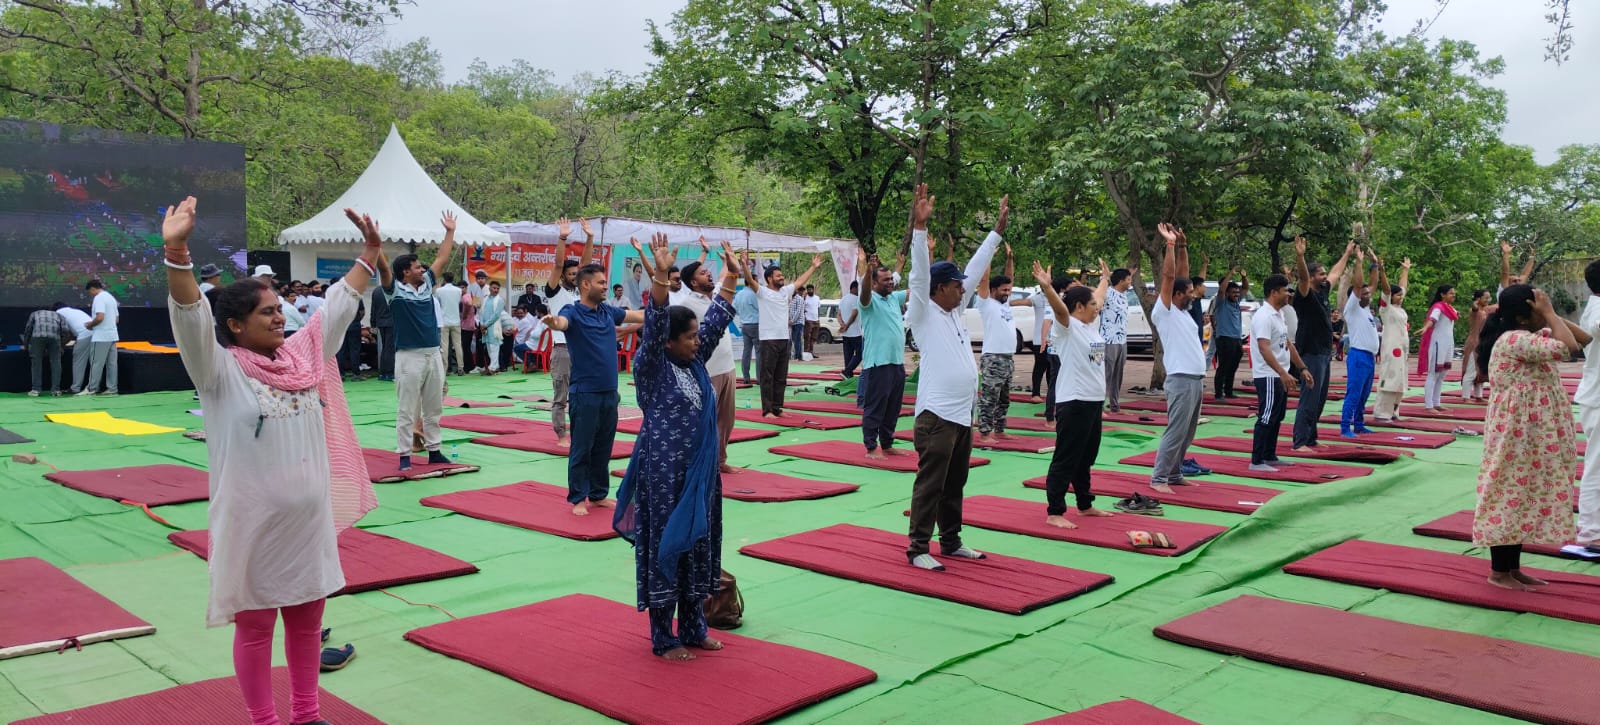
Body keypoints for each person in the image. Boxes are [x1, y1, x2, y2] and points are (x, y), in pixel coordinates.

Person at [163, 196, 379, 725]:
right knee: (256, 630)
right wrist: (176, 249)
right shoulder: (217, 370)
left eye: (281, 308)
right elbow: (191, 313)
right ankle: (265, 721)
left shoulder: (305, 356)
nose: (281, 316)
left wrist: (371, 252)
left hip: (308, 526)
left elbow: (340, 303)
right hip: (253, 526)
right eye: (267, 312)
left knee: (308, 625)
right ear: (235, 325)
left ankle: (305, 716)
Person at [612, 235, 743, 661]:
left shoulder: (691, 361)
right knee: (667, 548)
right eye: (687, 337)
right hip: (665, 479)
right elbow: (653, 326)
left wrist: (730, 278)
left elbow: (715, 322)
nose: (695, 342)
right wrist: (662, 281)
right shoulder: (652, 367)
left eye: (694, 338)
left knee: (699, 546)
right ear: (668, 341)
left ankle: (693, 626)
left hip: (699, 478)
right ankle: (663, 636)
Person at [904, 185, 1004, 571]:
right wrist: (918, 229)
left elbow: (977, 266)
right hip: (936, 417)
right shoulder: (923, 314)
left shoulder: (954, 312)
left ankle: (951, 541)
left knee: (955, 484)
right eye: (957, 285)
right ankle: (917, 548)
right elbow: (917, 276)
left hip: (961, 416)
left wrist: (996, 231)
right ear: (940, 288)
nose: (964, 288)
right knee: (930, 485)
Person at [1472, 285, 1581, 589]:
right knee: (1509, 494)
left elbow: (1583, 338)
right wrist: (1547, 313)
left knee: (1521, 495)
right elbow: (1570, 346)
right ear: (1523, 317)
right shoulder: (1516, 340)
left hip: (1528, 434)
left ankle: (1513, 569)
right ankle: (1499, 572)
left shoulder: (1527, 336)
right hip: (1517, 436)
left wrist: (1549, 312)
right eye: (1539, 308)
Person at [541, 245, 647, 516]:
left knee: (603, 446)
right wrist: (554, 323)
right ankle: (578, 497)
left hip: (609, 392)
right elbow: (562, 323)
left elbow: (637, 316)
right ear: (586, 285)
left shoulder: (608, 312)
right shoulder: (572, 311)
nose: (605, 286)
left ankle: (599, 494)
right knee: (582, 448)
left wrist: (665, 310)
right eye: (601, 282)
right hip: (584, 393)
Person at [1033, 258, 1116, 528]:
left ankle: (1085, 504)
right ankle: (1055, 511)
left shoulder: (1090, 325)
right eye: (1091, 306)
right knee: (1066, 457)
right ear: (1079, 307)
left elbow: (1100, 298)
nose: (1097, 308)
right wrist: (1048, 289)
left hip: (1092, 402)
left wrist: (1105, 278)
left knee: (1086, 457)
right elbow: (1060, 310)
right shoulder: (1068, 327)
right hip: (1074, 402)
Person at [383, 211, 458, 471]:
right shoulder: (394, 290)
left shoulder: (426, 285)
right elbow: (382, 266)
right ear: (406, 272)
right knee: (407, 408)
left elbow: (442, 257)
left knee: (433, 406)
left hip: (432, 354)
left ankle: (434, 450)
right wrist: (374, 242)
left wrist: (450, 231)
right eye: (417, 267)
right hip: (409, 356)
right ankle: (404, 454)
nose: (422, 269)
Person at [1146, 224, 1210, 494]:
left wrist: (1183, 246)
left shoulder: (1183, 311)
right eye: (1189, 293)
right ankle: (1159, 478)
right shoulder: (1165, 310)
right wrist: (1170, 245)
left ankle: (1173, 474)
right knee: (1175, 431)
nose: (1193, 295)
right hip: (1180, 380)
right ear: (1177, 295)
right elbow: (1171, 276)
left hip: (1195, 380)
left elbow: (1182, 275)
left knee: (1188, 433)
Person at [1290, 236, 1356, 452]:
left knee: (1319, 398)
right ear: (1311, 277)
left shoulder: (1324, 290)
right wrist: (1300, 256)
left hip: (1324, 352)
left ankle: (1311, 438)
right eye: (1320, 273)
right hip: (1309, 352)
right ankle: (1300, 441)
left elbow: (1336, 272)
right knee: (1309, 397)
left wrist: (1347, 253)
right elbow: (1301, 278)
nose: (1325, 276)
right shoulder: (1304, 294)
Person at [677, 256, 742, 473]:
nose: (709, 274)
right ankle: (701, 461)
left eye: (707, 271)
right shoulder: (687, 304)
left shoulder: (717, 296)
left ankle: (720, 461)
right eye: (702, 273)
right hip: (707, 369)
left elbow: (726, 276)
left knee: (726, 419)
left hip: (728, 366)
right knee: (705, 420)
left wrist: (728, 262)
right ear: (693, 283)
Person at [1249, 274, 1314, 472]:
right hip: (1268, 375)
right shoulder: (1263, 316)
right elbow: (1264, 347)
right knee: (1267, 416)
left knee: (1277, 415)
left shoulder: (1280, 314)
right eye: (1285, 290)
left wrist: (1302, 368)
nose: (1288, 294)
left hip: (1279, 373)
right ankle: (1257, 460)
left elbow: (1287, 344)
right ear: (1274, 292)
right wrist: (1281, 373)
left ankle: (1269, 455)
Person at [747, 255, 825, 418]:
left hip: (784, 339)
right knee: (767, 376)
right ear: (769, 279)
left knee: (781, 376)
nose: (781, 277)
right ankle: (767, 410)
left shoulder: (785, 291)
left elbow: (799, 282)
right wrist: (743, 265)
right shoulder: (763, 292)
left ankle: (777, 408)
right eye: (778, 275)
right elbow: (750, 280)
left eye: (782, 275)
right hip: (768, 339)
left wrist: (813, 267)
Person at [543, 217, 598, 446]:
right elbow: (557, 264)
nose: (575, 276)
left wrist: (590, 238)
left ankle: (580, 432)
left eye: (578, 274)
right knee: (561, 396)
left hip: (582, 351)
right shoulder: (555, 292)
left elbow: (586, 266)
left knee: (582, 395)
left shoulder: (581, 294)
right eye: (571, 273)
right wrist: (563, 237)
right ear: (564, 275)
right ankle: (561, 434)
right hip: (563, 350)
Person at [856, 253, 909, 459]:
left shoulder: (894, 298)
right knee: (875, 406)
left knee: (893, 407)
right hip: (878, 363)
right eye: (885, 280)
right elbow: (865, 292)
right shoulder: (868, 302)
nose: (890, 283)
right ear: (874, 283)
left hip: (896, 362)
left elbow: (918, 289)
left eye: (891, 280)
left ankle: (887, 444)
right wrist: (868, 271)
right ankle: (871, 447)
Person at [974, 245, 1017, 444]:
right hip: (993, 358)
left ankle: (999, 429)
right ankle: (984, 432)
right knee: (990, 396)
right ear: (993, 290)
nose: (1008, 292)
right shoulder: (985, 303)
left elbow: (1010, 277)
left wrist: (1009, 258)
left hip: (1008, 358)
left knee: (1004, 398)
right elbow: (983, 279)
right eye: (1004, 290)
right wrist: (989, 255)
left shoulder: (1004, 304)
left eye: (1009, 289)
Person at [1337, 249, 1382, 437]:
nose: (1368, 295)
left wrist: (1374, 264)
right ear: (1356, 296)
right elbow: (1358, 285)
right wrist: (1358, 262)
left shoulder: (1365, 309)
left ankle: (1359, 424)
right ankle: (1345, 427)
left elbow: (1373, 283)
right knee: (1354, 394)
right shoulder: (1353, 308)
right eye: (1364, 294)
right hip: (1358, 356)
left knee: (1364, 394)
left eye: (1367, 294)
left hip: (1369, 358)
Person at [1573, 261, 1600, 554]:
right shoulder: (1596, 310)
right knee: (1596, 467)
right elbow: (1596, 327)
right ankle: (1590, 533)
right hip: (1597, 399)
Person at [1372, 258, 1412, 422]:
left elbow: (1403, 287)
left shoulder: (1400, 309)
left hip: (1402, 349)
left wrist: (1406, 270)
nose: (1401, 297)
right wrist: (1382, 271)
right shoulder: (1386, 308)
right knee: (1390, 380)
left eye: (1401, 295)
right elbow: (1387, 290)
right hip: (1391, 349)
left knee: (1400, 381)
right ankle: (1382, 413)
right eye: (1398, 295)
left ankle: (1394, 411)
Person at [1417, 285, 1459, 412]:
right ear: (1442, 294)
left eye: (1454, 293)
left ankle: (1437, 403)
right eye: (1451, 293)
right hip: (1437, 344)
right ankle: (1429, 405)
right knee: (1433, 374)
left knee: (1442, 375)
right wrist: (1425, 327)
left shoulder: (1450, 308)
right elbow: (1432, 319)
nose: (1453, 295)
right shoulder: (1438, 307)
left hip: (1448, 344)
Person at [1100, 266, 1135, 411]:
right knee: (1104, 374)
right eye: (1128, 279)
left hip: (1121, 341)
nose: (1130, 282)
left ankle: (1114, 405)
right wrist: (1105, 277)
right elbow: (1095, 292)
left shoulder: (1123, 295)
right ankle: (1098, 406)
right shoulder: (1108, 293)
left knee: (1117, 375)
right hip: (1107, 341)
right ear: (1121, 281)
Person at [79, 278, 119, 396]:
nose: (90, 295)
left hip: (101, 336)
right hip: (112, 335)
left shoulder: (99, 298)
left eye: (90, 292)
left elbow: (100, 317)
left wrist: (90, 325)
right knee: (112, 364)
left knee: (96, 363)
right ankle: (112, 389)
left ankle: (91, 388)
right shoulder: (111, 298)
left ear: (92, 289)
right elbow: (116, 319)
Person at [1209, 273, 1247, 398]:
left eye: (1237, 292)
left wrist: (1243, 277)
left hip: (1236, 339)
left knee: (1233, 366)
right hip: (1224, 338)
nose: (1236, 294)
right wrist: (1230, 273)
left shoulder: (1236, 302)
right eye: (1233, 292)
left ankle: (1229, 391)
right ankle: (1219, 394)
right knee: (1224, 366)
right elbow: (1221, 290)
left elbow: (1245, 288)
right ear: (1226, 293)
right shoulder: (1221, 302)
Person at [23, 303, 72, 396]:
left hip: (38, 337)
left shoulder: (34, 313)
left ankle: (36, 390)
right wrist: (61, 344)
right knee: (56, 362)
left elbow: (28, 329)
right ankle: (56, 390)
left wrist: (26, 344)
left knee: (36, 362)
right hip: (55, 337)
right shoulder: (59, 315)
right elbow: (66, 331)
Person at [1460, 289, 1493, 401]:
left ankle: (1478, 395)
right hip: (1474, 343)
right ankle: (1466, 396)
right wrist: (1475, 303)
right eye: (1486, 298)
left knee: (1481, 369)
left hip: (1483, 343)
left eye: (1489, 297)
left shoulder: (1487, 311)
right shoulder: (1474, 311)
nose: (1488, 300)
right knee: (1471, 370)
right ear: (1478, 299)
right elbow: (1474, 309)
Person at [56, 302, 92, 394]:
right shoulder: (76, 311)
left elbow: (66, 334)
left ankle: (75, 388)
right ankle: (94, 388)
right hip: (96, 335)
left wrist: (60, 345)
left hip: (85, 335)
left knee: (78, 362)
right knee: (95, 363)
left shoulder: (58, 313)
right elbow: (72, 333)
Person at [368, 266, 396, 382]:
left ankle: (383, 372)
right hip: (392, 322)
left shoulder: (376, 290)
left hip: (381, 323)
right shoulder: (394, 290)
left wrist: (373, 323)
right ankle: (389, 372)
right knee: (390, 348)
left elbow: (373, 309)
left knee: (385, 347)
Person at [434, 273, 464, 374]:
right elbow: (459, 302)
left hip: (444, 321)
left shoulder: (439, 290)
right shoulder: (459, 290)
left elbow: (437, 303)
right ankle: (460, 367)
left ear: (444, 279)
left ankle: (444, 368)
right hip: (456, 320)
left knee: (444, 346)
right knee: (458, 345)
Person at [733, 279, 760, 383]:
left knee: (746, 351)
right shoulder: (753, 294)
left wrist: (743, 315)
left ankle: (746, 377)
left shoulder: (739, 294)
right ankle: (759, 378)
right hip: (755, 324)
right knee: (759, 352)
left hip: (744, 324)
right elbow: (760, 308)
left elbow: (735, 309)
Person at [479, 280, 506, 375]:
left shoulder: (500, 300)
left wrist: (485, 325)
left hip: (493, 327)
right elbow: (481, 312)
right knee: (489, 347)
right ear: (489, 288)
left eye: (498, 289)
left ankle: (493, 367)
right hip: (485, 327)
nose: (496, 290)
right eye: (494, 288)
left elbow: (496, 315)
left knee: (494, 347)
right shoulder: (486, 298)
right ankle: (495, 367)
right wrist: (482, 324)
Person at [837, 280, 863, 377]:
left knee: (848, 354)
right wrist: (846, 325)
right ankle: (847, 371)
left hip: (846, 333)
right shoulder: (857, 299)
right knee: (860, 353)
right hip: (855, 332)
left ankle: (848, 374)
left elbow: (838, 314)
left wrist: (842, 324)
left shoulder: (843, 299)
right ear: (854, 288)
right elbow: (854, 314)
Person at [458, 288, 479, 374]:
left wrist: (465, 314)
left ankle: (469, 366)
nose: (461, 289)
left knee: (466, 347)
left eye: (463, 287)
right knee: (466, 347)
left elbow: (469, 304)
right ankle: (470, 366)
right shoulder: (472, 296)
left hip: (467, 326)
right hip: (471, 325)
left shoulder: (466, 296)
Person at [788, 284, 806, 360]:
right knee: (792, 339)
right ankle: (795, 355)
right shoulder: (791, 299)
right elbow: (789, 310)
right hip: (792, 323)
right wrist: (789, 320)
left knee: (797, 339)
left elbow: (798, 311)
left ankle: (798, 356)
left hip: (798, 322)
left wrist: (792, 320)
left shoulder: (799, 299)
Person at [803, 285, 821, 355]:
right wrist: (805, 318)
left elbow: (818, 308)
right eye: (808, 290)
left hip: (816, 320)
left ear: (813, 290)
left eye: (811, 289)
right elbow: (803, 309)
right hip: (808, 319)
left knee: (814, 337)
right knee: (807, 336)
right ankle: (806, 352)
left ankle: (811, 351)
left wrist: (818, 318)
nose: (810, 291)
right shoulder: (805, 298)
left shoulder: (817, 298)